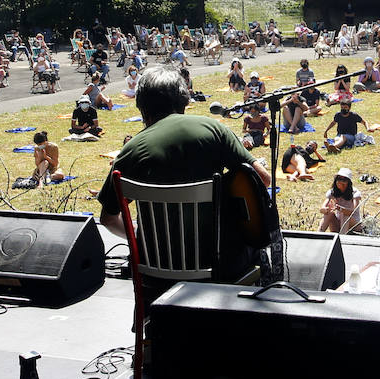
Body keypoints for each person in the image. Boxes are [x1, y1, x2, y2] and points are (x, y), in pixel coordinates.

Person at [97, 66, 274, 287]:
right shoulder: (214, 130)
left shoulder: (130, 151)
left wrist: (140, 237)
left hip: (155, 277)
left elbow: (108, 218)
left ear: (141, 106)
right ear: (184, 99)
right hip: (220, 269)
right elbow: (262, 179)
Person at [319, 167, 364, 234]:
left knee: (345, 215)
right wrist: (325, 209)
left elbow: (352, 212)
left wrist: (340, 209)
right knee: (329, 213)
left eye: (344, 180)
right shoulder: (332, 192)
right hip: (339, 224)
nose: (340, 182)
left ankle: (342, 238)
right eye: (339, 179)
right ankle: (318, 234)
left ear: (348, 183)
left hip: (354, 226)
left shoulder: (355, 193)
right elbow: (322, 209)